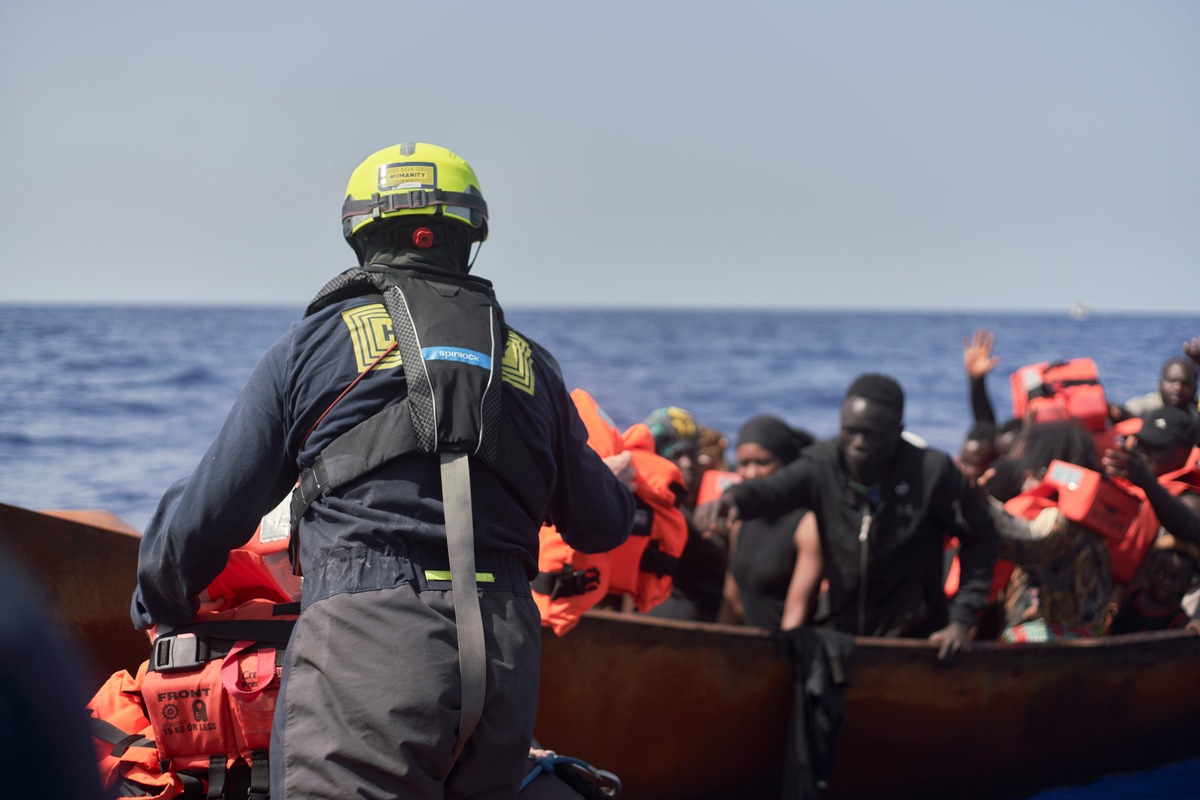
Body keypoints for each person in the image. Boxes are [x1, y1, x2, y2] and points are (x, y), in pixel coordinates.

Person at [130, 142, 636, 800]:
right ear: (468, 239)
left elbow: (206, 515)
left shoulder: (314, 346)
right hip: (505, 661)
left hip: (368, 649)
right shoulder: (530, 365)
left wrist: (162, 602)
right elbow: (602, 525)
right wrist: (618, 486)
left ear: (361, 238)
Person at [697, 373, 999, 661]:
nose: (858, 442)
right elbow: (772, 491)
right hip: (841, 639)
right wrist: (733, 500)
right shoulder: (822, 464)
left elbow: (982, 537)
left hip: (914, 640)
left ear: (898, 430)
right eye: (850, 431)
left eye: (871, 434)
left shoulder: (932, 472)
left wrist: (961, 620)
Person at [980, 420, 1114, 642]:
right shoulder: (1097, 520)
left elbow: (1022, 541)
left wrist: (979, 501)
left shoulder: (1060, 520)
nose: (1026, 480)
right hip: (1092, 635)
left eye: (1033, 472)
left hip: (1047, 638)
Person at [717, 415, 818, 631]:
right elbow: (732, 600)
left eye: (762, 462)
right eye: (743, 464)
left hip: (787, 643)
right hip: (748, 643)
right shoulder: (740, 523)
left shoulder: (805, 525)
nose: (751, 473)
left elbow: (797, 612)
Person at [641, 406, 728, 622]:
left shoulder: (719, 497)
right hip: (665, 611)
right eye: (676, 455)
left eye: (691, 454)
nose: (687, 464)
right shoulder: (644, 505)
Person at [1110, 535, 1199, 634]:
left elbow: (1188, 631)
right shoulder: (1132, 593)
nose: (1165, 583)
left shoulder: (1178, 620)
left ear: (1188, 585)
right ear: (1149, 569)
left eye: (1176, 579)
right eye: (1160, 573)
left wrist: (1192, 628)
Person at [1112, 354, 1199, 432]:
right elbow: (1128, 411)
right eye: (1172, 381)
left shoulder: (1195, 409)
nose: (1178, 387)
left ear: (1194, 389)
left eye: (1185, 383)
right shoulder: (1148, 405)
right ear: (1159, 384)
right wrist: (1118, 412)